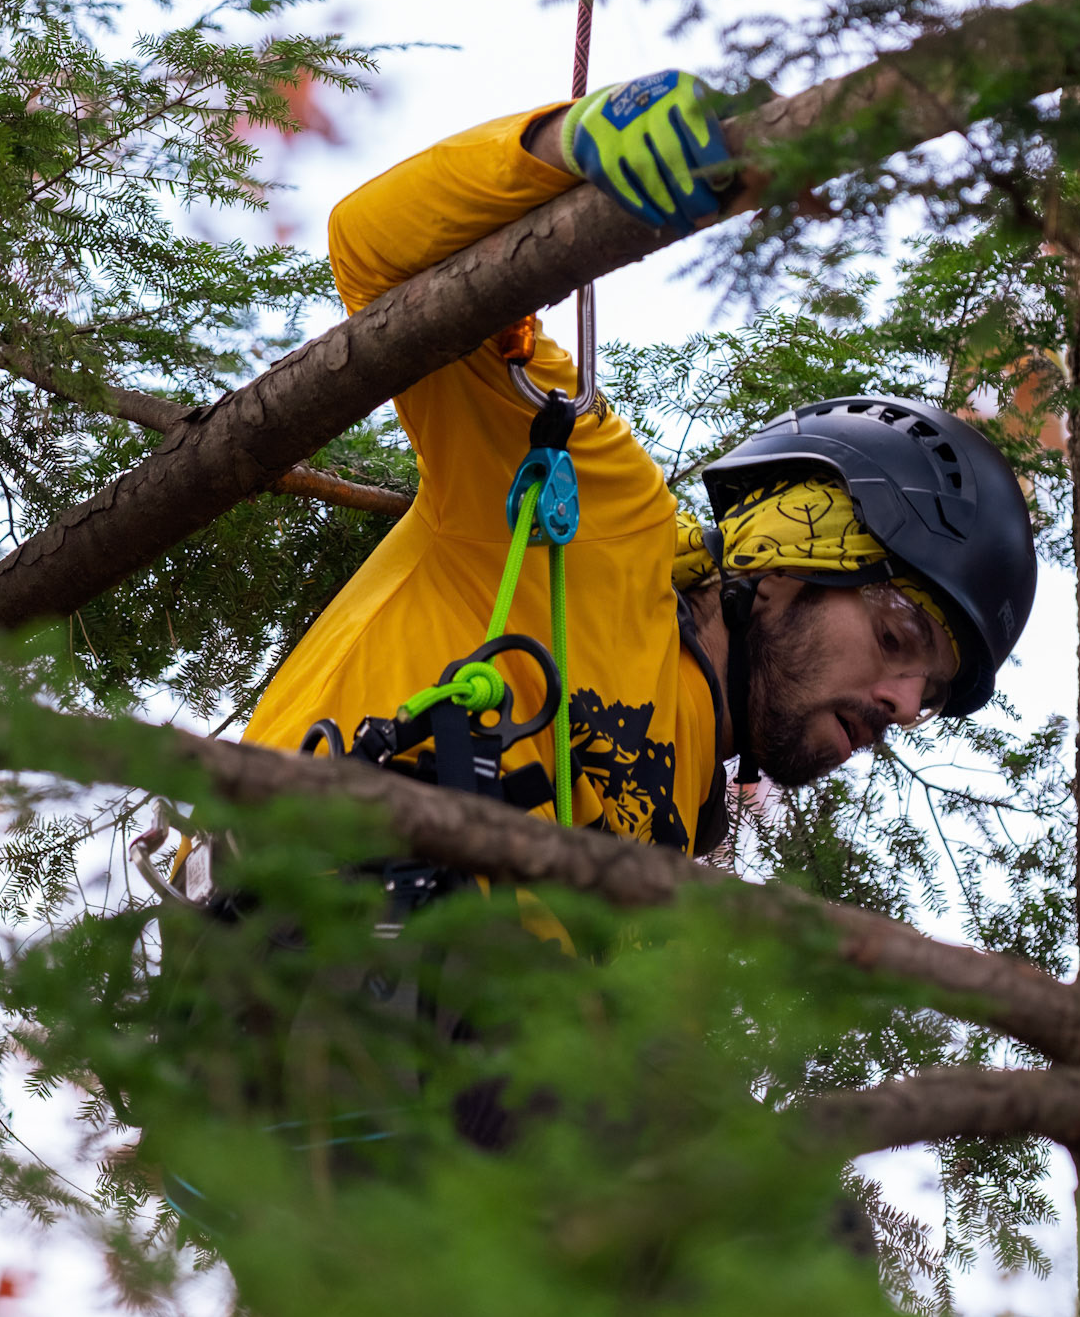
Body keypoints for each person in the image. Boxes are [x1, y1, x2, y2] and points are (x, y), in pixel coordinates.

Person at [243, 71, 1037, 856]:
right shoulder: (599, 513)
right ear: (792, 558)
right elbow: (378, 255)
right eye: (899, 637)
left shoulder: (687, 826)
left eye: (928, 697)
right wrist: (570, 143)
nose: (901, 706)